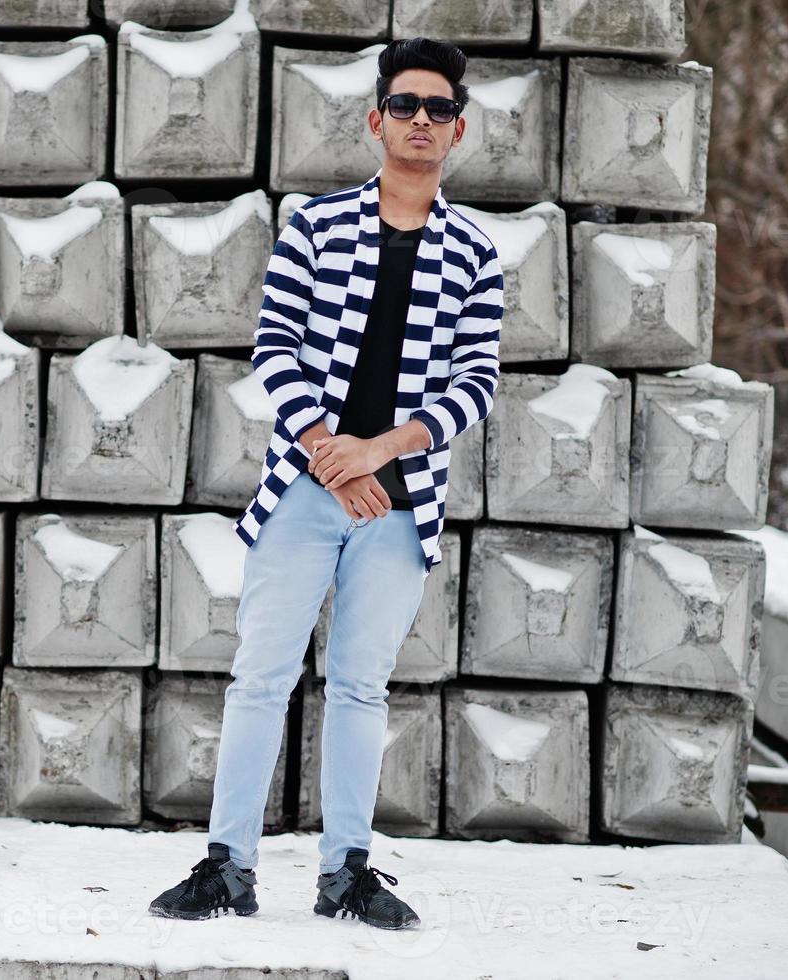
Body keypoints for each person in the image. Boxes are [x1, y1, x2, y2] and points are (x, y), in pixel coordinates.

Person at [148, 37, 504, 930]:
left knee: (358, 687)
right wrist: (326, 451)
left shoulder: (474, 252)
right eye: (406, 105)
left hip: (402, 500)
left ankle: (346, 874)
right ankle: (226, 867)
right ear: (374, 118)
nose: (421, 120)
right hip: (304, 490)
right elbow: (271, 348)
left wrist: (381, 450)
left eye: (438, 109)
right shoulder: (316, 225)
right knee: (259, 678)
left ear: (457, 130)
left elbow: (476, 383)